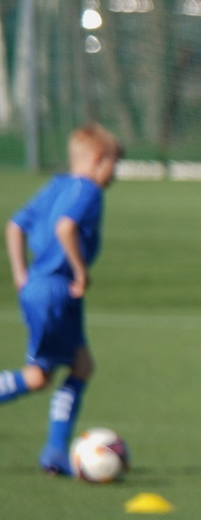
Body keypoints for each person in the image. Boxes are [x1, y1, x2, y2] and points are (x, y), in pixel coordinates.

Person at [3, 122, 120, 475]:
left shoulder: (56, 185)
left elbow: (14, 226)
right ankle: (54, 454)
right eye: (115, 163)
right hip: (58, 290)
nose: (117, 172)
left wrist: (21, 274)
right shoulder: (88, 191)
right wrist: (80, 270)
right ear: (99, 159)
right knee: (38, 377)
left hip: (41, 286)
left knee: (81, 366)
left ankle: (55, 452)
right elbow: (65, 228)